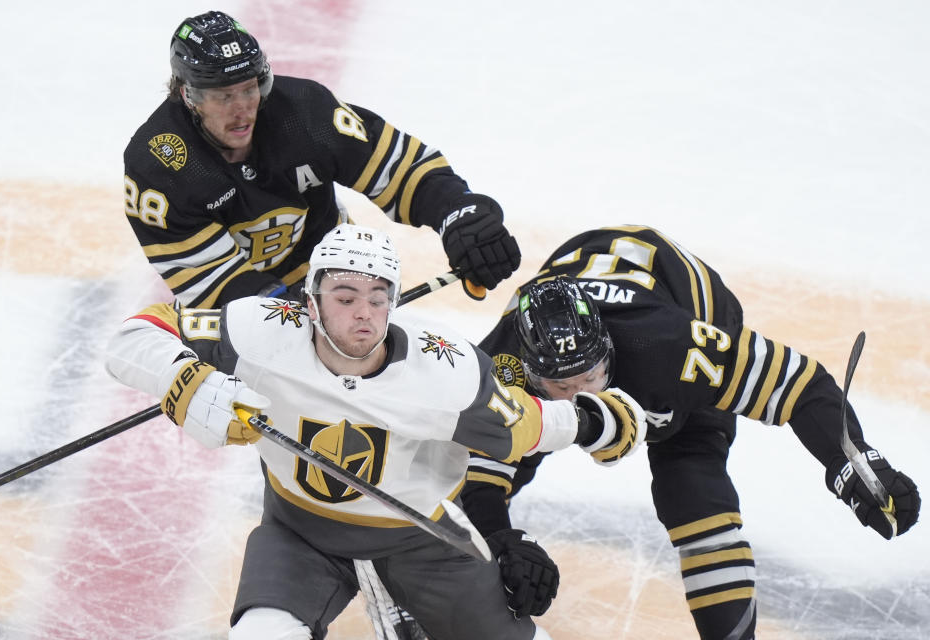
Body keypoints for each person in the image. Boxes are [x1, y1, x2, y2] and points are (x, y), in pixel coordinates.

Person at [104, 224, 645, 640]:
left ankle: (405, 597)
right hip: (299, 532)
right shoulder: (260, 330)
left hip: (423, 538)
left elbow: (526, 425)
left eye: (378, 297)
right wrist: (184, 377)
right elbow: (135, 335)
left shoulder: (447, 370)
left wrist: (600, 421)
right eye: (344, 297)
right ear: (310, 302)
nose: (363, 314)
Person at [460, 225, 921, 639]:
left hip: (686, 303)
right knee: (485, 465)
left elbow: (798, 384)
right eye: (564, 385)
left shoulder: (672, 349)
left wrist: (854, 462)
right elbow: (477, 469)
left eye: (594, 376)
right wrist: (497, 538)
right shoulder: (502, 367)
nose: (585, 396)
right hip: (593, 297)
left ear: (610, 349)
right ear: (530, 374)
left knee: (695, 496)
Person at [123, 10, 520, 309]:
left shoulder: (306, 115)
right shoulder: (159, 166)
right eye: (224, 96)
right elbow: (212, 282)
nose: (243, 109)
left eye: (250, 89)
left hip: (332, 264)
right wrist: (288, 313)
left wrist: (458, 213)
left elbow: (401, 170)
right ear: (188, 95)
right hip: (235, 307)